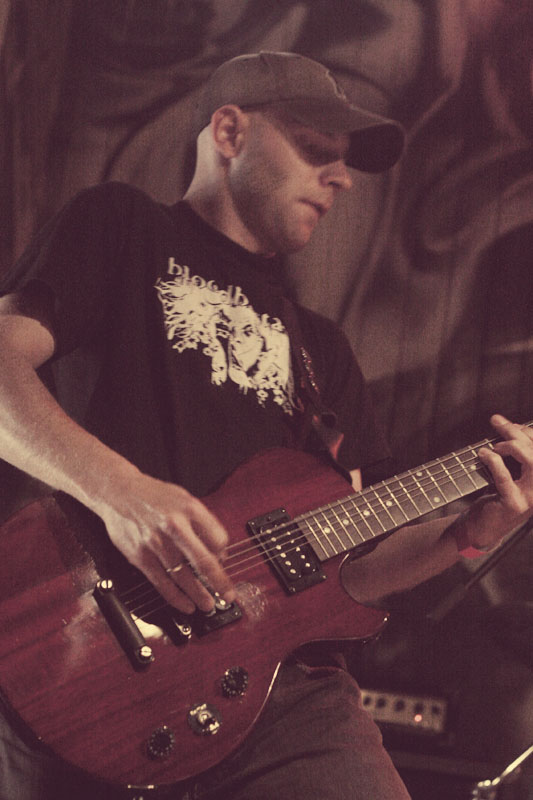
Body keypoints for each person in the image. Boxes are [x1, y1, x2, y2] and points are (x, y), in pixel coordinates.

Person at [0, 50, 532, 800]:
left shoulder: (323, 349)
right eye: (317, 150)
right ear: (228, 132)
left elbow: (361, 559)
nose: (341, 179)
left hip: (286, 694)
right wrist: (124, 494)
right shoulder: (122, 226)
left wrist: (466, 532)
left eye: (344, 164)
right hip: (85, 647)